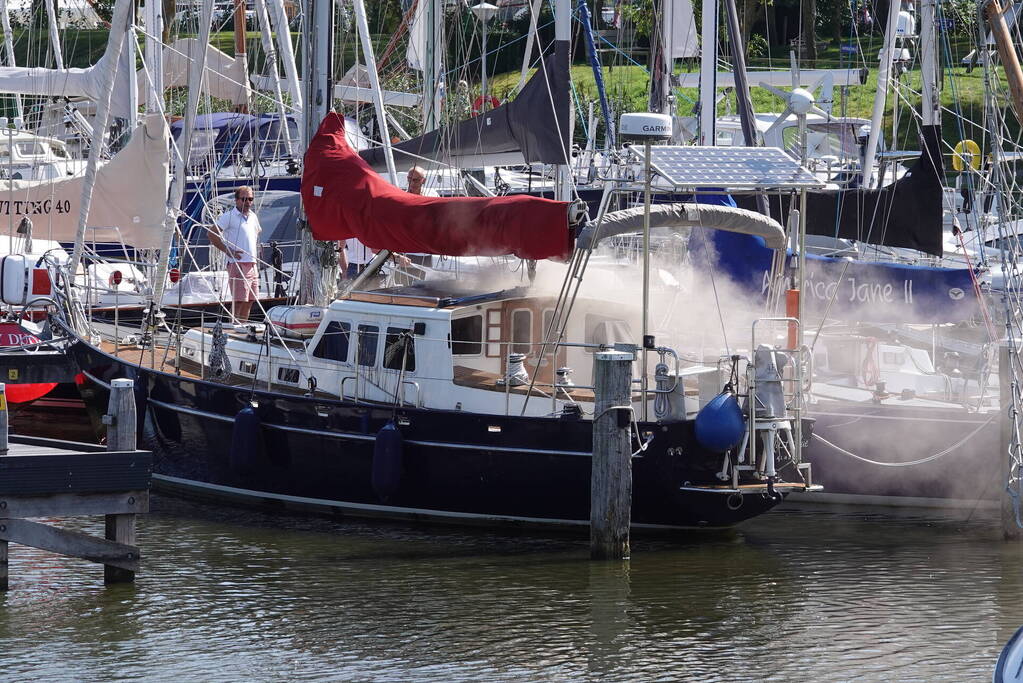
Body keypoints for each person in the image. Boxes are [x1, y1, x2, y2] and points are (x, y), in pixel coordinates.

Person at [208, 185, 262, 322]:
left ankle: (242, 326)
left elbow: (256, 233)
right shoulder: (229, 217)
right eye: (244, 199)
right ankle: (234, 326)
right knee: (238, 300)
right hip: (237, 264)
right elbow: (212, 233)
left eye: (250, 199)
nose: (248, 202)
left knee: (250, 300)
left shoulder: (253, 217)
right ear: (236, 200)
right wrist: (228, 250)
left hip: (252, 263)